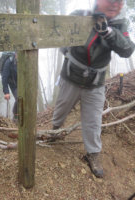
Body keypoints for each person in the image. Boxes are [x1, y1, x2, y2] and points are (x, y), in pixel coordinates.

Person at [52, 0, 135, 178]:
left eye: (120, 2)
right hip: (71, 77)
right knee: (61, 110)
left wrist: (107, 32)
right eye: (111, 0)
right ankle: (54, 132)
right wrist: (66, 53)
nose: (116, 5)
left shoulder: (119, 25)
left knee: (93, 121)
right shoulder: (80, 16)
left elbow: (127, 50)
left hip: (95, 83)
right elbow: (59, 35)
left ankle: (92, 154)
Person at [1, 52, 18, 123]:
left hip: (24, 83)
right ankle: (16, 115)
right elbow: (5, 78)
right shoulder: (9, 62)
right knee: (19, 98)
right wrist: (6, 92)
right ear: (15, 55)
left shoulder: (25, 60)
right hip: (14, 84)